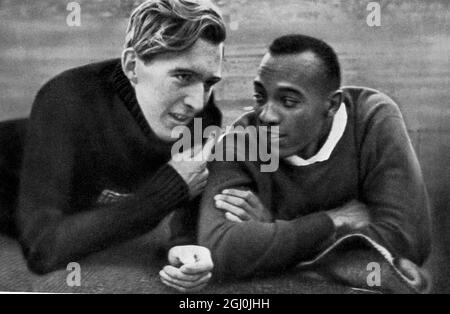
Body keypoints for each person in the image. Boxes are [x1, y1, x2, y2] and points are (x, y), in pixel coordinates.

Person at [11, 0, 226, 293]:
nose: (197, 101)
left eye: (209, 82)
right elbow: (43, 249)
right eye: (183, 77)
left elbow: (187, 211)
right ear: (131, 66)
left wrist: (184, 249)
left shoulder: (204, 115)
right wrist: (166, 191)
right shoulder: (66, 98)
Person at [198, 34, 431, 280]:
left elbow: (408, 240)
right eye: (260, 97)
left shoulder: (372, 119)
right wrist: (332, 221)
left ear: (331, 106)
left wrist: (272, 232)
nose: (266, 115)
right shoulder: (240, 142)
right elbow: (221, 252)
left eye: (288, 101)